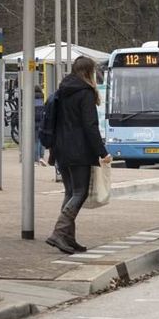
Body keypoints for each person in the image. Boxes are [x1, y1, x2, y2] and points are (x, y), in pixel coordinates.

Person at [46, 56, 113, 255]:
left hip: (61, 149)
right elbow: (90, 126)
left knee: (70, 192)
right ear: (89, 72)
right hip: (78, 150)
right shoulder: (85, 93)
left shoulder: (62, 90)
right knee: (80, 192)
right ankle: (59, 232)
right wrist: (102, 152)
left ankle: (68, 237)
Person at [34, 85, 47, 165]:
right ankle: (42, 157)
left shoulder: (32, 99)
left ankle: (36, 159)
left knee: (35, 141)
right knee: (41, 140)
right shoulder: (42, 99)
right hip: (42, 122)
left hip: (34, 122)